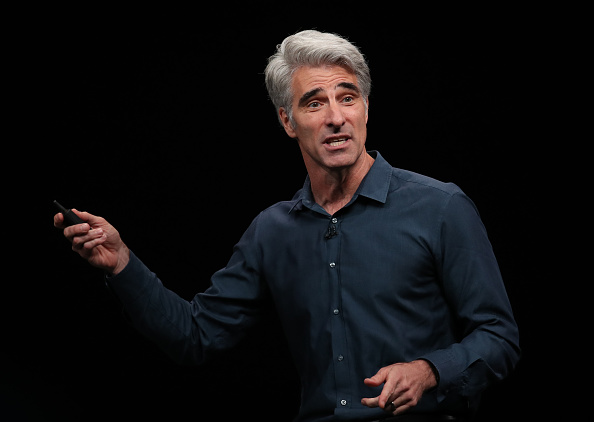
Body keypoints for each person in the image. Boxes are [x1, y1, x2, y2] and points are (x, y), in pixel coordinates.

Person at [54, 30, 520, 421]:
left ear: (366, 107)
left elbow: (499, 336)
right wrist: (120, 263)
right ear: (287, 121)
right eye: (314, 103)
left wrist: (429, 370)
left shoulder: (440, 206)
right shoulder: (271, 231)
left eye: (347, 97)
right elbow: (195, 336)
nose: (336, 117)